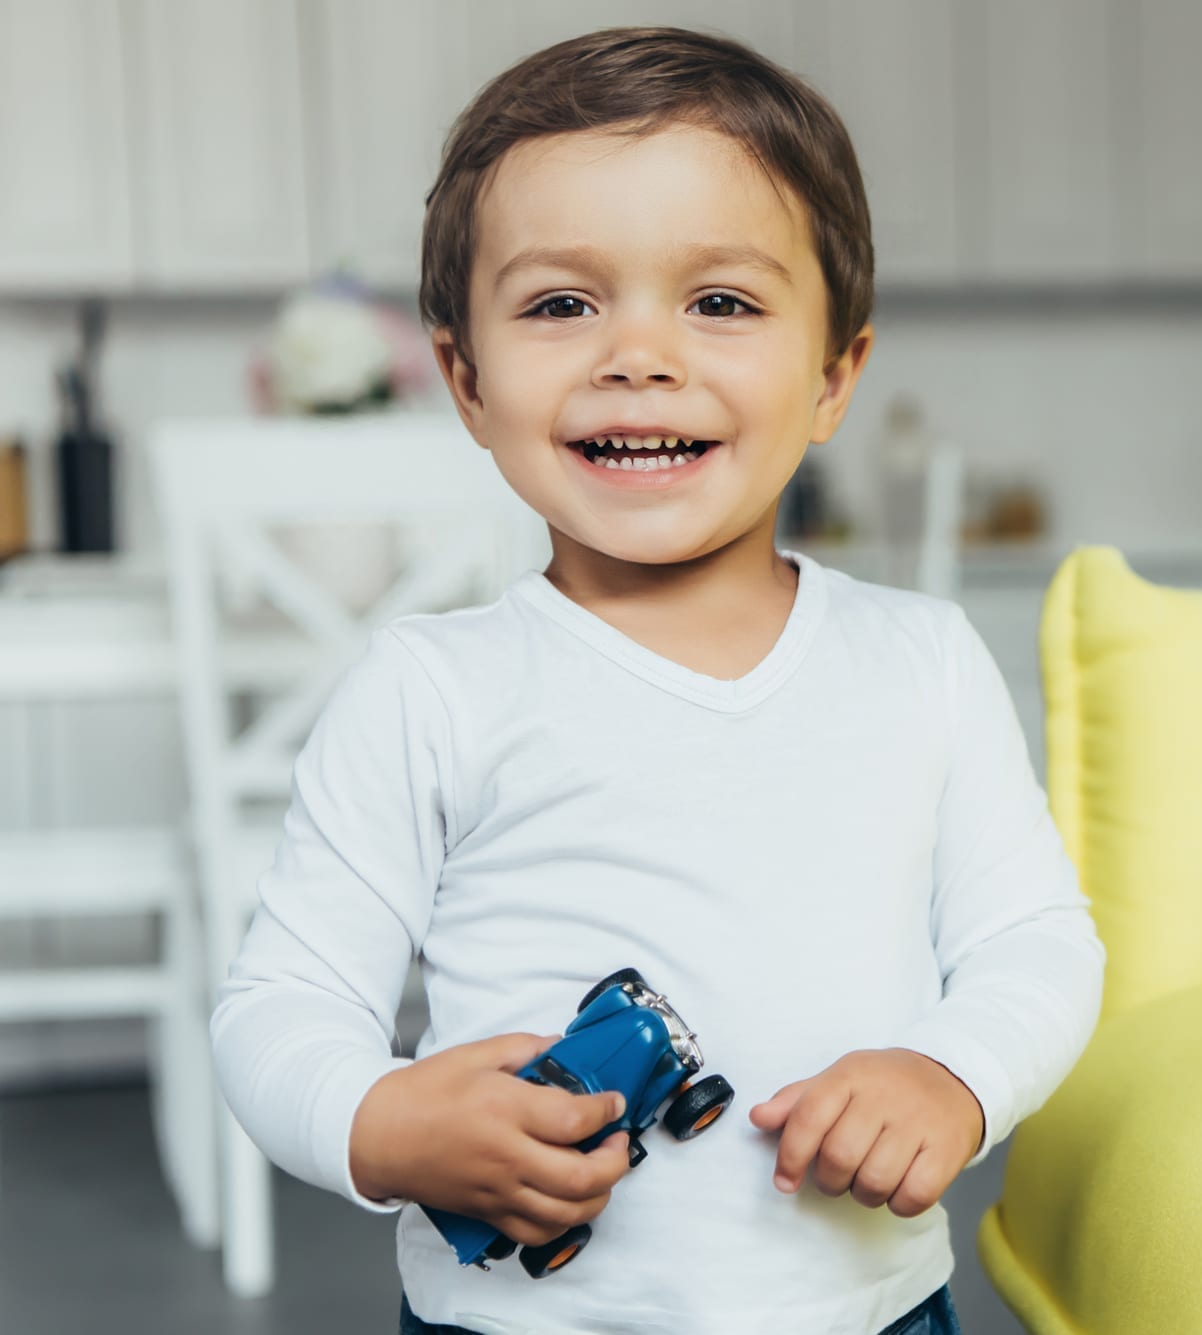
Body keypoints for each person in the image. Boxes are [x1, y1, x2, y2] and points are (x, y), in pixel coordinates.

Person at [208, 26, 1105, 1335]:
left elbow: (1034, 944)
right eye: (563, 304)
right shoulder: (427, 689)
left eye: (722, 303)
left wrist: (952, 1076)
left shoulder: (922, 664)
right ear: (464, 376)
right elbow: (281, 1006)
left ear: (833, 376)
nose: (639, 354)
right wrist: (378, 1121)